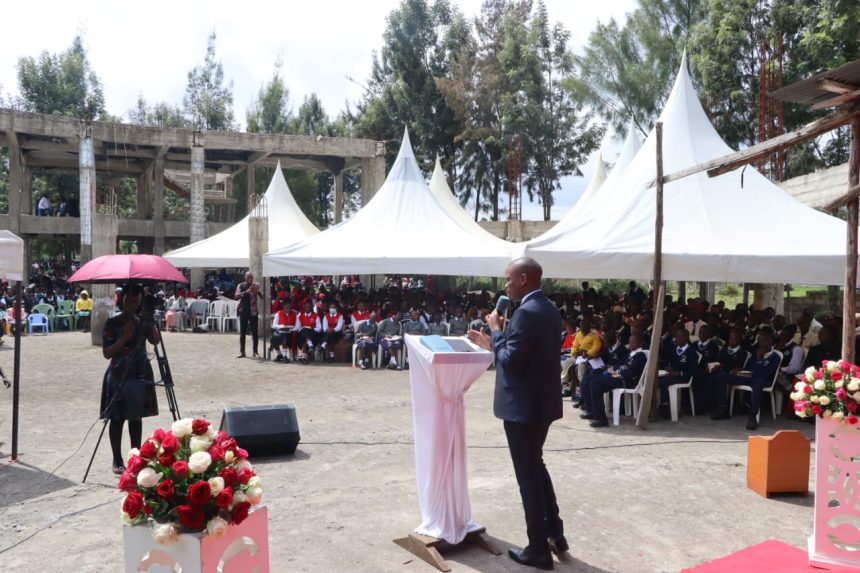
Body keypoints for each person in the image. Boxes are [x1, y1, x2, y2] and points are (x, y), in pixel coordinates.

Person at [467, 257, 566, 569]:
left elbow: (511, 360)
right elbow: (525, 352)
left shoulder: (525, 313)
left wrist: (494, 333)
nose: (505, 284)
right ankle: (555, 532)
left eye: (508, 278)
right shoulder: (548, 309)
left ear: (524, 279)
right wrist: (497, 339)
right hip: (542, 404)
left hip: (523, 408)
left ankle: (538, 548)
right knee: (536, 466)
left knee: (528, 477)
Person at [100, 283, 160, 474]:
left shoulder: (143, 320)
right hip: (119, 373)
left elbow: (155, 340)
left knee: (136, 418)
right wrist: (124, 337)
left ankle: (136, 456)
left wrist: (150, 323)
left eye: (136, 301)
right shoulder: (112, 322)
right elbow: (107, 353)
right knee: (117, 418)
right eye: (128, 300)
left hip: (140, 371)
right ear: (122, 299)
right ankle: (117, 459)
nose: (132, 304)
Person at [710, 329, 781, 430]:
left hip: (764, 381)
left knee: (758, 382)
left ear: (770, 342)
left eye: (763, 341)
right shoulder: (755, 353)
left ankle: (753, 416)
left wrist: (760, 358)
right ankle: (723, 409)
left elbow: (765, 374)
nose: (761, 344)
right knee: (721, 376)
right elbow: (748, 368)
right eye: (759, 341)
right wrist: (740, 370)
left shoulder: (775, 357)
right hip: (749, 378)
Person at [581, 333, 647, 427]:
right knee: (591, 379)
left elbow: (632, 371)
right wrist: (613, 369)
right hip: (616, 376)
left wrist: (617, 373)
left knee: (595, 384)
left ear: (640, 343)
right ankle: (592, 412)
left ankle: (601, 419)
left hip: (625, 380)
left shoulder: (640, 356)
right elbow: (619, 364)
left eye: (634, 342)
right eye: (630, 342)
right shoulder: (630, 353)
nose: (631, 344)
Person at [235, 271, 264, 358]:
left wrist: (258, 291)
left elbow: (262, 297)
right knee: (242, 333)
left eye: (251, 277)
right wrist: (246, 292)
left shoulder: (256, 285)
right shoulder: (240, 285)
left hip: (253, 312)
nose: (250, 279)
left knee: (255, 333)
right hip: (243, 311)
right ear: (245, 277)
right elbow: (236, 296)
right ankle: (242, 352)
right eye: (248, 277)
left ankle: (255, 352)